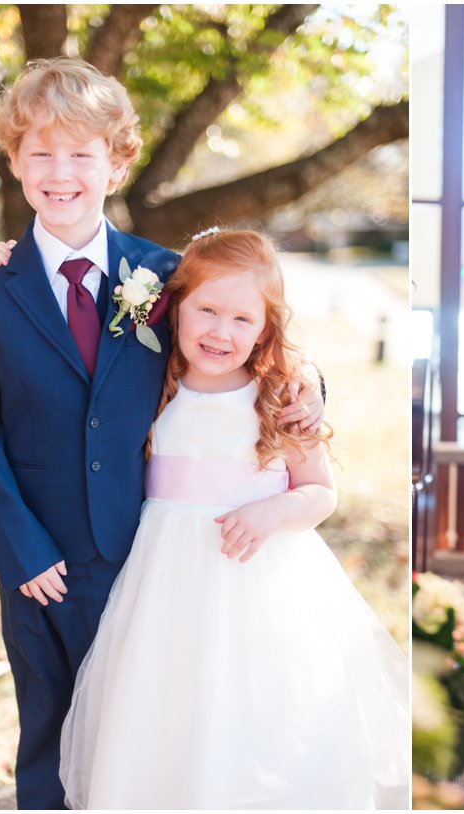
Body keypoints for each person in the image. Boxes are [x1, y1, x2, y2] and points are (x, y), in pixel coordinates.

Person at [0, 58, 320, 809]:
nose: (61, 173)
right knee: (53, 732)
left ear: (115, 166)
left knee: (152, 729)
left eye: (82, 154)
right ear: (14, 161)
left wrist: (312, 393)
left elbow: (242, 336)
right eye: (41, 153)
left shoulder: (167, 275)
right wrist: (20, 548)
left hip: (151, 549)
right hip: (43, 563)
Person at [58, 228, 409, 809]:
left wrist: (276, 509)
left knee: (256, 717)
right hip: (165, 586)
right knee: (167, 715)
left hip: (256, 583)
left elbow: (321, 492)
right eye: (208, 310)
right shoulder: (156, 382)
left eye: (243, 319)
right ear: (176, 308)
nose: (221, 331)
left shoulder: (278, 397)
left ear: (266, 328)